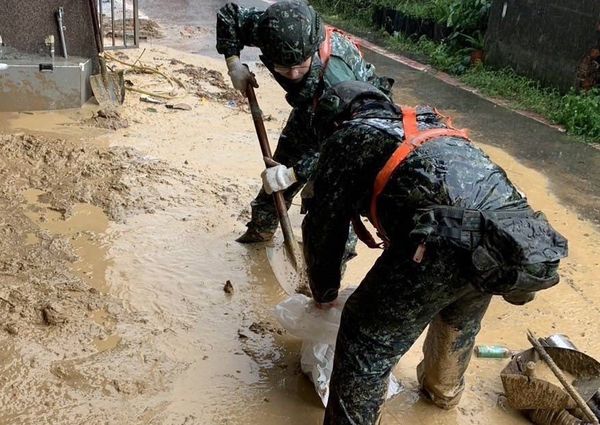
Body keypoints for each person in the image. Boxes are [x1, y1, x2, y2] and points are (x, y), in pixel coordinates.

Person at [274, 81, 568, 424]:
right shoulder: (426, 121)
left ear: (334, 120)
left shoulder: (348, 137)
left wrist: (324, 293)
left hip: (446, 239)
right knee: (459, 309)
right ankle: (442, 394)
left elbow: (324, 226)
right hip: (504, 238)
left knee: (365, 338)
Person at [216, 0, 393, 243]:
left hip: (357, 127)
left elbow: (342, 148)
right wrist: (233, 64)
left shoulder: (337, 79)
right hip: (310, 108)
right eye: (283, 68)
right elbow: (229, 16)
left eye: (300, 66)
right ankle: (261, 230)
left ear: (313, 50)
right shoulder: (271, 31)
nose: (293, 75)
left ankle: (328, 270)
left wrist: (295, 174)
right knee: (277, 172)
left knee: (336, 205)